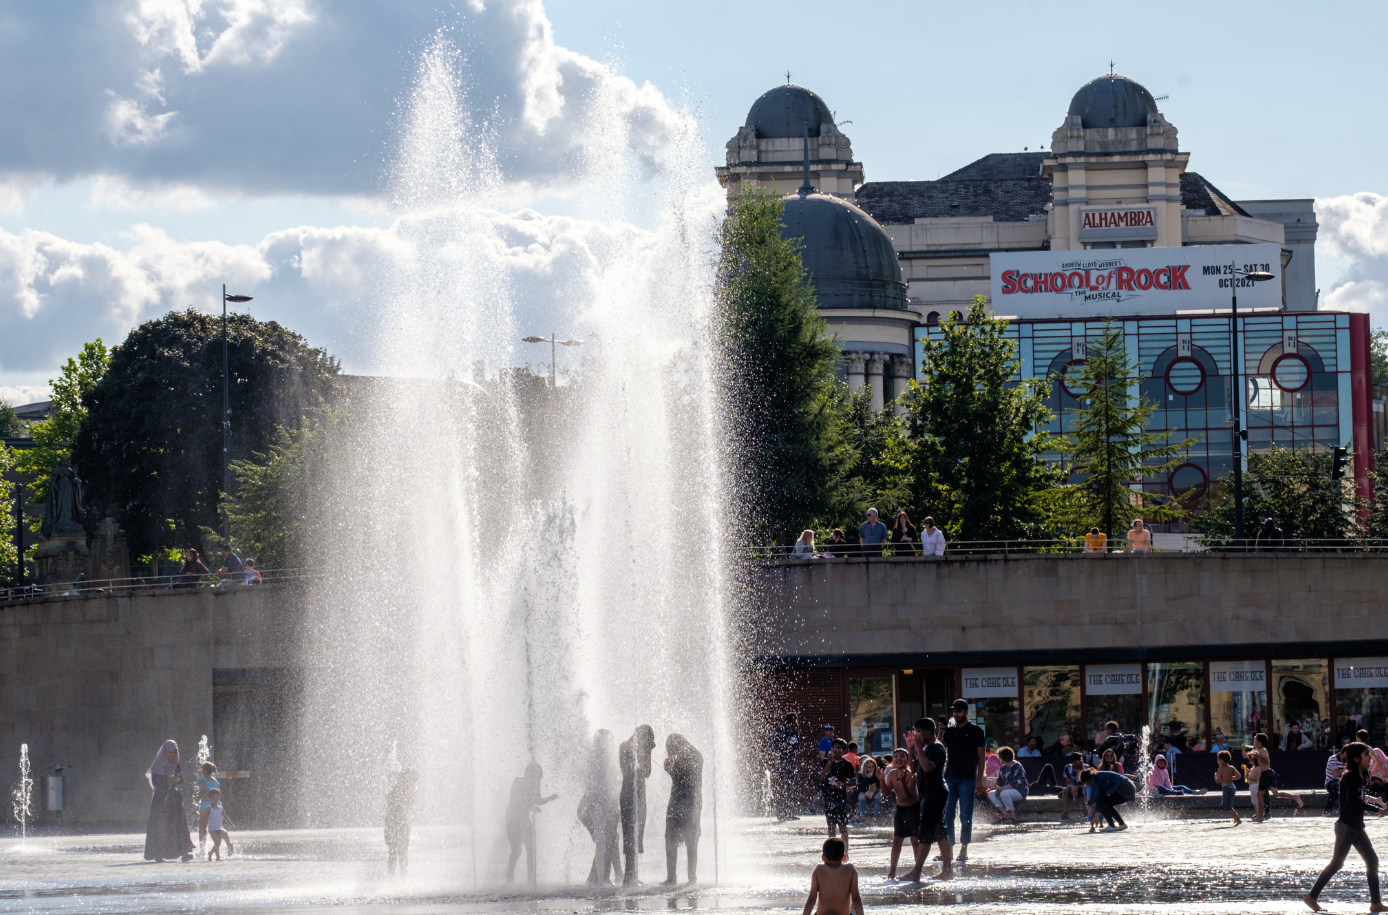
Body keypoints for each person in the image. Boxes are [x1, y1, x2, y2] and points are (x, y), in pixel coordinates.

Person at [1305, 742, 1388, 913]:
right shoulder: (1350, 776)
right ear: (1356, 759)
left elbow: (1362, 796)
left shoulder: (1361, 776)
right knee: (1337, 863)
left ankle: (1375, 903)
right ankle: (1311, 897)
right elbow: (1354, 802)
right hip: (1346, 828)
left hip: (1357, 827)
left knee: (1372, 861)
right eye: (1366, 755)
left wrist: (1377, 803)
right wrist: (1376, 809)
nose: (1370, 759)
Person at [905, 717, 953, 882]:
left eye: (917, 732)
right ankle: (947, 871)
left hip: (935, 793)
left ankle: (916, 872)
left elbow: (927, 767)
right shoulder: (925, 747)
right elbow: (914, 768)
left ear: (926, 733)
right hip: (928, 793)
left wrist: (918, 746)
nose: (915, 735)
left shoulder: (937, 747)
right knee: (940, 831)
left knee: (924, 832)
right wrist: (911, 748)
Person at [941, 699, 986, 864]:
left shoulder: (976, 730)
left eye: (959, 711)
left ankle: (964, 849)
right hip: (949, 777)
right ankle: (950, 848)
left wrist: (979, 779)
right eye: (954, 711)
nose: (956, 714)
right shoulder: (950, 731)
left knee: (965, 815)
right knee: (947, 816)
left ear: (967, 712)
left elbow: (981, 756)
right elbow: (940, 750)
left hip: (967, 778)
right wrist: (940, 735)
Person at [579, 730, 623, 886]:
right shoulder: (600, 759)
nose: (608, 745)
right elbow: (601, 787)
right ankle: (600, 878)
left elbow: (607, 783)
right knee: (606, 840)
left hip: (588, 806)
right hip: (592, 807)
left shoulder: (596, 758)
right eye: (606, 742)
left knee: (609, 839)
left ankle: (607, 876)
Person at [505, 763, 558, 884]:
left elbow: (537, 800)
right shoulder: (518, 781)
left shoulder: (536, 784)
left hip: (524, 819)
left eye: (540, 776)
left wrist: (550, 798)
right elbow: (514, 800)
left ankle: (530, 879)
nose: (538, 778)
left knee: (530, 849)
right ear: (529, 773)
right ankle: (510, 874)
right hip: (512, 819)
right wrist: (531, 807)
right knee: (517, 850)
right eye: (537, 775)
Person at [143, 739, 195, 862]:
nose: (171, 755)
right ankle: (158, 854)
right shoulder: (157, 764)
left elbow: (181, 779)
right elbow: (155, 782)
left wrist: (177, 779)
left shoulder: (176, 764)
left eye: (174, 752)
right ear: (164, 752)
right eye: (169, 753)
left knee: (179, 825)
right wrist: (166, 778)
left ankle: (184, 853)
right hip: (161, 799)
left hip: (174, 798)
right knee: (161, 826)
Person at [662, 734, 703, 886]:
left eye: (670, 749)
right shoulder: (696, 754)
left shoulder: (682, 757)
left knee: (671, 838)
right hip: (695, 801)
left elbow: (679, 778)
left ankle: (671, 878)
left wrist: (668, 769)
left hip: (679, 801)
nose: (669, 752)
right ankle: (692, 877)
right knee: (692, 839)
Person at [620, 725, 656, 886]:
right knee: (630, 834)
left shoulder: (641, 749)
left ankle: (632, 875)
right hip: (629, 795)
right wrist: (641, 758)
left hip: (639, 795)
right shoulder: (624, 747)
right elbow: (626, 771)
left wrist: (647, 752)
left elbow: (647, 773)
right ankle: (628, 877)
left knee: (637, 835)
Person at [801, 838, 864, 915]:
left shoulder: (819, 870)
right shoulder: (850, 870)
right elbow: (856, 899)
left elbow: (811, 899)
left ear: (823, 857)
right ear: (843, 857)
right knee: (853, 906)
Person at [884, 748, 919, 880]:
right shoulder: (892, 774)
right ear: (893, 761)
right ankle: (892, 871)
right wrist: (882, 780)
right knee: (897, 841)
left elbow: (908, 796)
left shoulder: (911, 775)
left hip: (914, 808)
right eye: (896, 756)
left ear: (907, 759)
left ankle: (917, 870)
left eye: (902, 756)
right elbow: (887, 793)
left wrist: (903, 781)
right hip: (900, 810)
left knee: (915, 840)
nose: (899, 758)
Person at [819, 738, 855, 854]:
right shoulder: (825, 762)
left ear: (843, 751)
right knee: (831, 827)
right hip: (828, 800)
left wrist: (843, 784)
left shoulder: (847, 764)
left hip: (841, 800)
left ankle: (845, 852)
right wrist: (829, 762)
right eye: (833, 747)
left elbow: (854, 782)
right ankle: (832, 853)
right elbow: (822, 777)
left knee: (843, 828)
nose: (835, 749)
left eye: (838, 748)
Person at [385, 768, 417, 876]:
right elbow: (406, 806)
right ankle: (400, 879)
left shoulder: (396, 790)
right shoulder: (400, 791)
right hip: (397, 823)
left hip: (394, 823)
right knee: (399, 853)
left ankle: (396, 879)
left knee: (395, 853)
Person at [770, 715, 802, 822]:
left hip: (791, 762)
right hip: (782, 761)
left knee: (790, 786)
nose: (797, 722)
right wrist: (785, 746)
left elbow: (798, 747)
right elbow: (773, 744)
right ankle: (780, 813)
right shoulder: (780, 730)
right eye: (795, 720)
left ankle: (789, 812)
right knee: (782, 787)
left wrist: (798, 753)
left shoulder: (795, 732)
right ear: (791, 720)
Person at [987, 747, 1029, 823]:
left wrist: (1002, 789)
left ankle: (1013, 815)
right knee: (991, 793)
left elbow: (1016, 782)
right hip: (1005, 790)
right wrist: (998, 789)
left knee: (1004, 793)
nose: (999, 758)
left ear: (1004, 757)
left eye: (1000, 756)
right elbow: (999, 781)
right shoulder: (1002, 767)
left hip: (1020, 790)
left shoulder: (1017, 766)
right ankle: (1005, 814)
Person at [195, 762, 219, 853]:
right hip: (215, 806)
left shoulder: (202, 779)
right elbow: (219, 792)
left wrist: (198, 797)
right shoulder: (215, 781)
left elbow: (203, 788)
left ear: (203, 771)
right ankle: (218, 845)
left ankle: (202, 849)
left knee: (202, 826)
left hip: (205, 805)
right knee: (214, 827)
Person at [204, 788, 235, 861]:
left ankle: (225, 851)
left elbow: (225, 818)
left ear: (219, 798)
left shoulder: (221, 808)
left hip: (219, 828)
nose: (215, 799)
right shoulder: (209, 808)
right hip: (212, 829)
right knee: (217, 843)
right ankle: (210, 853)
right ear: (209, 798)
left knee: (225, 836)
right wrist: (205, 828)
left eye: (217, 797)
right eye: (213, 797)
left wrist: (231, 825)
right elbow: (205, 820)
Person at [1214, 750, 1243, 826]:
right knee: (1228, 803)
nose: (1217, 761)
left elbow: (1218, 781)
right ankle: (1235, 817)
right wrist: (1229, 778)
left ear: (1221, 760)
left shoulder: (1220, 769)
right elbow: (1239, 776)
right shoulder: (1231, 767)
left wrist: (1215, 777)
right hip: (1233, 787)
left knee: (1227, 805)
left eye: (1218, 759)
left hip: (1226, 788)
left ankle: (1238, 819)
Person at [1059, 752, 1085, 823]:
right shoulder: (1068, 767)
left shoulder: (1086, 768)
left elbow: (1088, 783)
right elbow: (1068, 783)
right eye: (1079, 760)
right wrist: (1073, 787)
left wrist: (1077, 787)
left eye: (1082, 759)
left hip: (1084, 790)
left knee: (1085, 788)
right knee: (1065, 790)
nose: (1081, 761)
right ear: (1074, 762)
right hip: (1072, 790)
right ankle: (1065, 814)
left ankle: (1086, 812)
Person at [1326, 747, 1348, 816]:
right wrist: (1347, 769)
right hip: (1331, 782)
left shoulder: (1347, 761)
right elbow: (1335, 774)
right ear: (1345, 753)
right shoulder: (1333, 759)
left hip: (1343, 781)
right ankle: (1327, 811)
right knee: (1335, 786)